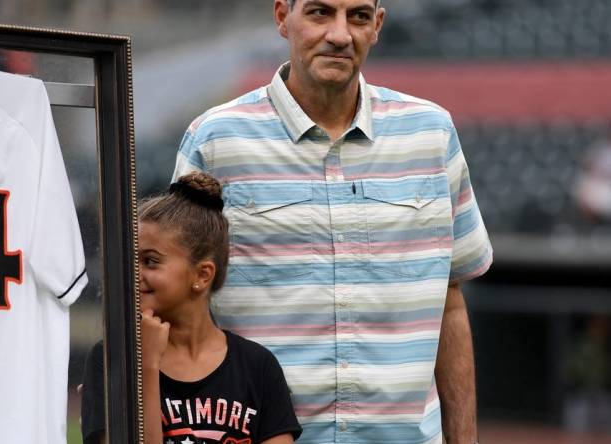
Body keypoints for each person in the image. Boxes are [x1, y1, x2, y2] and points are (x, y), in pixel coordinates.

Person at [171, 1, 493, 443]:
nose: (340, 34)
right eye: (320, 13)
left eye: (358, 16)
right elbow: (176, 303)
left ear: (377, 26)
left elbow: (450, 300)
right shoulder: (215, 140)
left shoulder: (431, 134)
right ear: (283, 17)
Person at [81, 172, 302, 444]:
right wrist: (146, 366)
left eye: (150, 261)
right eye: (130, 260)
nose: (132, 272)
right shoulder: (109, 361)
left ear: (202, 275)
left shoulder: (259, 367)